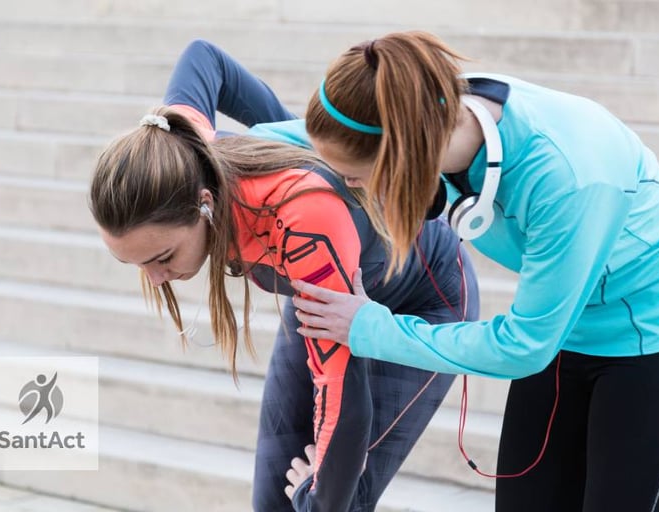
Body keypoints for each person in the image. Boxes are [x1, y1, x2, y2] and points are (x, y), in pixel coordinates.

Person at [287, 30, 659, 511]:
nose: (349, 187)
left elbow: (524, 347)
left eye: (355, 177)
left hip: (658, 339)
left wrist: (371, 327)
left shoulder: (567, 176)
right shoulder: (417, 108)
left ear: (404, 153)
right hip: (565, 336)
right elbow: (284, 135)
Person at [88, 39, 480, 512]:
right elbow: (202, 57)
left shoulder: (304, 220)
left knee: (334, 501)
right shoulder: (185, 148)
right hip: (324, 296)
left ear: (204, 204)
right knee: (274, 500)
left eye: (162, 256)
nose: (156, 278)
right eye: (136, 264)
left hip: (422, 302)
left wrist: (322, 499)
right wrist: (303, 147)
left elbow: (343, 392)